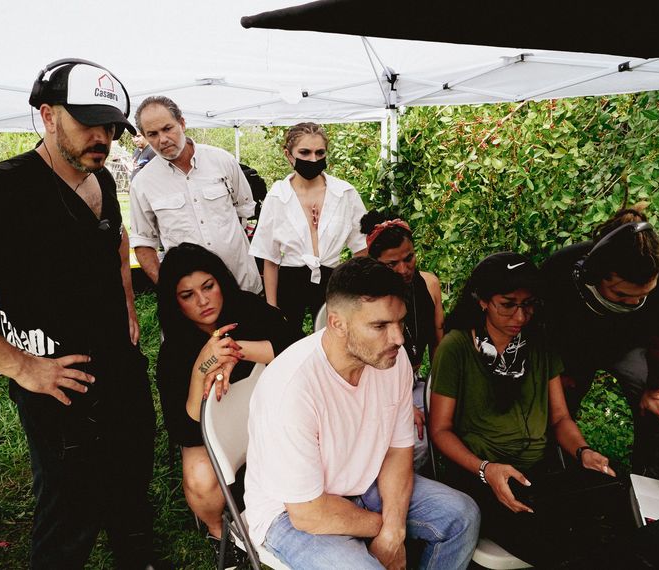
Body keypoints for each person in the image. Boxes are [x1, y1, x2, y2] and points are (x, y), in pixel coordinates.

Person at [0, 60, 158, 569]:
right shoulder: (3, 191)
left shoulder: (100, 179)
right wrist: (20, 366)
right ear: (46, 115)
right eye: (87, 122)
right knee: (69, 509)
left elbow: (115, 242)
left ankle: (138, 556)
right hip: (58, 384)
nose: (101, 137)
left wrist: (128, 307)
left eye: (109, 126)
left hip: (119, 369)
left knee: (130, 476)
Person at [245, 257, 480, 570]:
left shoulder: (390, 361)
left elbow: (398, 450)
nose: (398, 339)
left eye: (400, 322)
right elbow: (307, 513)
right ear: (337, 323)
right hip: (292, 512)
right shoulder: (291, 390)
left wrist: (394, 531)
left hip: (363, 481)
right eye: (380, 326)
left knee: (462, 516)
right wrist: (381, 528)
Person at [429, 252, 624, 567]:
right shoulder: (457, 348)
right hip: (483, 477)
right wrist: (485, 469)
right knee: (558, 545)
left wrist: (583, 452)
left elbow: (560, 418)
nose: (520, 317)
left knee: (612, 518)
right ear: (482, 301)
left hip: (538, 474)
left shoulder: (539, 344)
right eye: (507, 304)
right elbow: (440, 430)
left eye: (529, 304)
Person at [154, 242, 298, 565]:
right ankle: (219, 531)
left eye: (208, 286)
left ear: (221, 282)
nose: (203, 301)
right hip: (208, 433)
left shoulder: (247, 308)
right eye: (187, 295)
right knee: (201, 479)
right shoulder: (174, 352)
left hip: (267, 416)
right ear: (175, 303)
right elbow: (182, 429)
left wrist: (236, 350)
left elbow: (295, 344)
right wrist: (201, 367)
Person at [541, 205, 659, 480]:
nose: (634, 302)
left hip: (642, 346)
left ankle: (654, 497)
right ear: (594, 275)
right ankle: (558, 474)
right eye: (622, 295)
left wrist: (656, 388)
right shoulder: (560, 269)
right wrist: (560, 372)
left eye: (644, 294)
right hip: (577, 345)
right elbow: (548, 332)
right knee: (555, 408)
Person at [128, 96, 261, 293]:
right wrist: (171, 292)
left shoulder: (222, 160)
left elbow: (245, 210)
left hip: (244, 286)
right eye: (152, 134)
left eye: (167, 128)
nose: (162, 139)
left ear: (182, 123)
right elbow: (143, 243)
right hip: (194, 302)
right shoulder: (143, 183)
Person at [248, 122, 367, 336]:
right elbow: (270, 258)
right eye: (305, 152)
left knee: (336, 340)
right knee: (284, 343)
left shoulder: (345, 193)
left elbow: (362, 249)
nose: (313, 159)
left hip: (334, 280)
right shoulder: (277, 196)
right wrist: (272, 307)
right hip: (290, 281)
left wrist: (356, 290)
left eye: (320, 152)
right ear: (289, 154)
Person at [361, 210, 445, 469]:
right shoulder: (366, 300)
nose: (404, 269)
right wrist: (401, 405)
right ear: (374, 262)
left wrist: (446, 396)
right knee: (416, 443)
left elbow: (439, 350)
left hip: (418, 384)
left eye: (409, 258)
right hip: (377, 392)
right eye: (392, 264)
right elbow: (364, 371)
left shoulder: (429, 284)